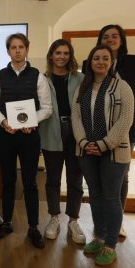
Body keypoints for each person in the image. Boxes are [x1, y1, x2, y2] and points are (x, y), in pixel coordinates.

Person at [72, 44, 134, 265]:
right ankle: (98, 237)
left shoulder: (122, 87)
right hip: (86, 150)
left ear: (111, 62)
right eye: (96, 58)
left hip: (114, 152)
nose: (100, 62)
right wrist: (84, 142)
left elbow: (126, 120)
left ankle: (110, 244)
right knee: (95, 196)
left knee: (111, 197)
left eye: (105, 58)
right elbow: (76, 118)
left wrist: (104, 144)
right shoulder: (83, 88)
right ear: (90, 61)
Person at [0, 33, 52, 249]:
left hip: (29, 136)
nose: (17, 50)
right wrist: (5, 121)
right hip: (6, 136)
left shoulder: (38, 76)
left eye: (21, 47)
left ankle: (33, 227)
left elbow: (47, 108)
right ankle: (6, 223)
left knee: (31, 183)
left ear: (27, 49)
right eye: (13, 47)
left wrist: (33, 121)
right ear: (8, 51)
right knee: (7, 181)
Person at [83, 24, 135, 237]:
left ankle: (118, 221)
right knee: (98, 182)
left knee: (121, 176)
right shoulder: (88, 64)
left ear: (122, 39)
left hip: (125, 129)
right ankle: (102, 227)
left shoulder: (134, 62)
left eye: (114, 36)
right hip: (93, 132)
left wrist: (113, 136)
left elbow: (133, 98)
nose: (110, 39)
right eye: (105, 36)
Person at [39, 39, 86, 244]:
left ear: (70, 56)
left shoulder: (81, 78)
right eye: (58, 53)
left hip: (76, 134)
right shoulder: (41, 79)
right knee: (53, 179)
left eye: (66, 53)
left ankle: (73, 221)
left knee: (75, 180)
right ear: (51, 55)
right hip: (51, 132)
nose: (62, 57)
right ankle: (54, 218)